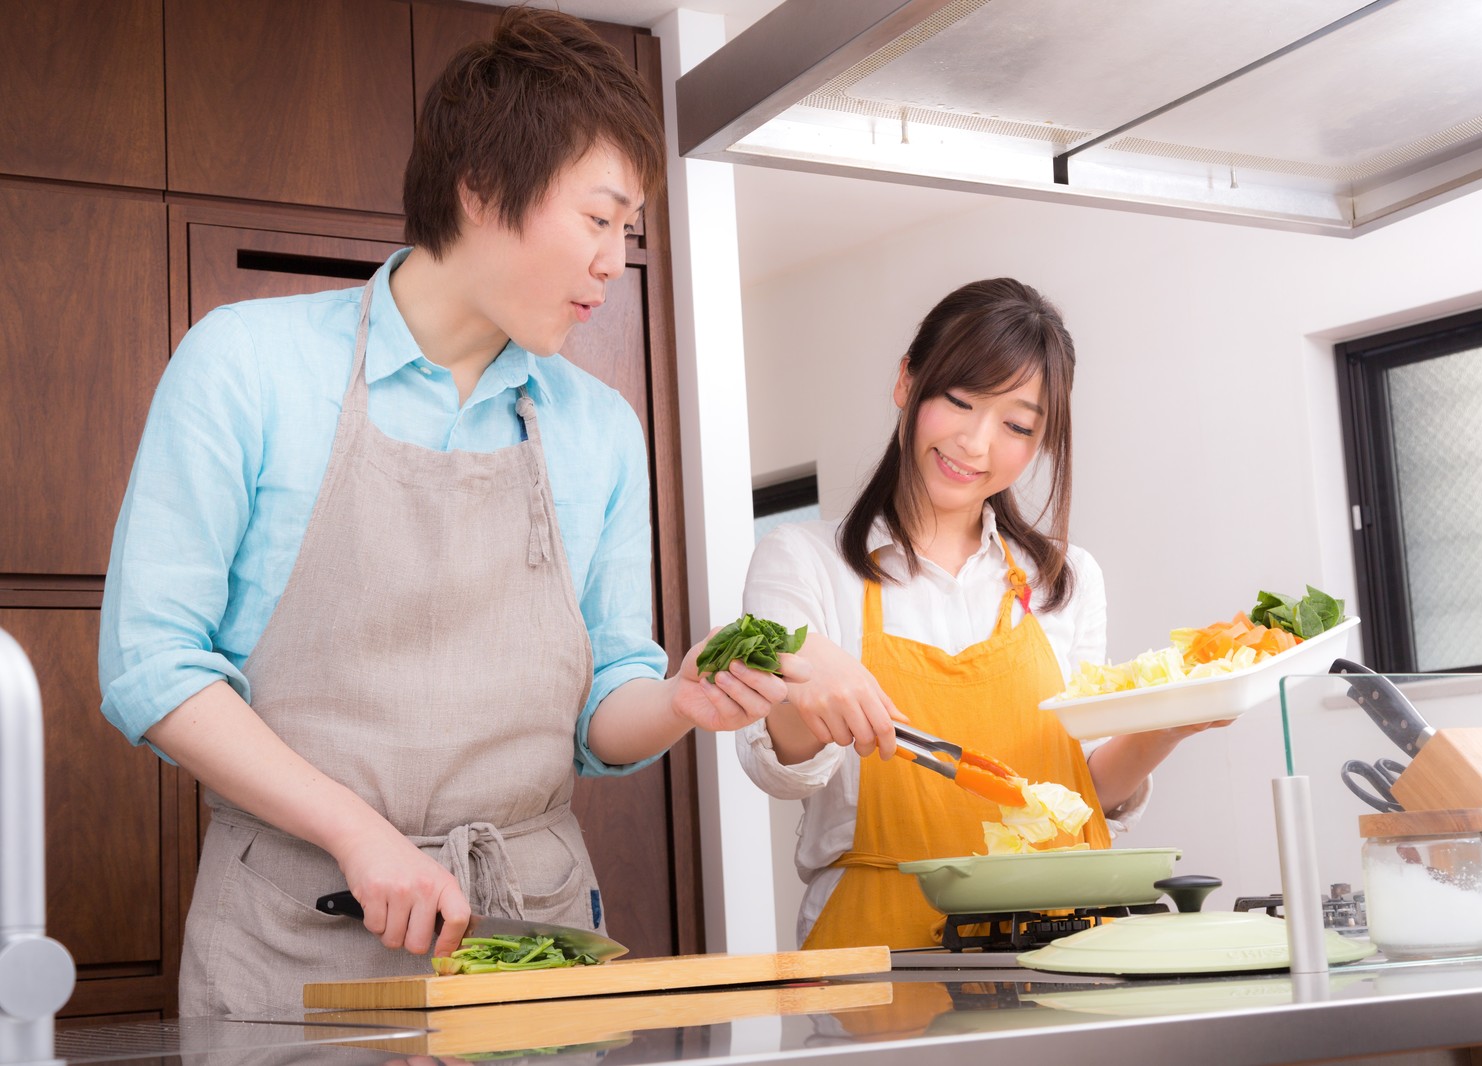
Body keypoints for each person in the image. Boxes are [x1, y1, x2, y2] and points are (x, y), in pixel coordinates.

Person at [98, 9, 789, 1016]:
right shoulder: (245, 363)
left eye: (628, 232)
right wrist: (353, 828)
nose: (615, 260)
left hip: (530, 944)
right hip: (293, 935)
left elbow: (606, 707)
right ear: (477, 189)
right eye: (599, 220)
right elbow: (151, 665)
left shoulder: (599, 426)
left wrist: (683, 698)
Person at [736, 278, 1221, 950]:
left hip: (1065, 937)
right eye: (959, 401)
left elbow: (1079, 789)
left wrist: (1167, 726)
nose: (975, 443)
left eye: (1017, 425)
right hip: (880, 940)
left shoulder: (1068, 579)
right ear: (907, 382)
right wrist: (805, 682)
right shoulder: (803, 560)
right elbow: (780, 767)